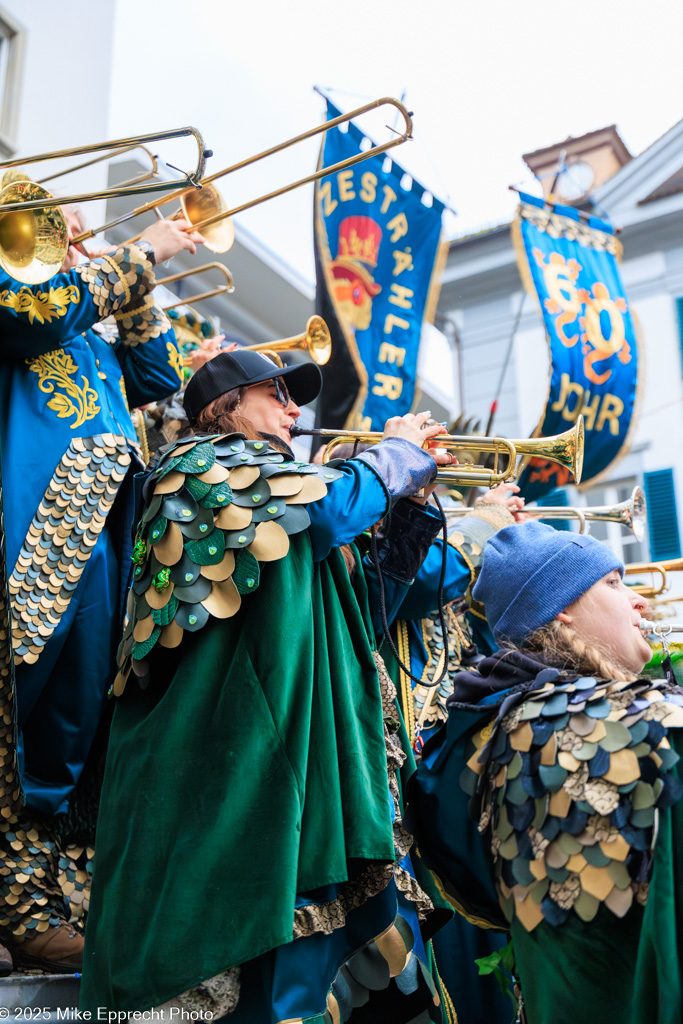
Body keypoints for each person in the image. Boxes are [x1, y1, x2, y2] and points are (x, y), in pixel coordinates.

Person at [80, 349, 456, 1022]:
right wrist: (394, 455)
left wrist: (410, 501)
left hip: (285, 760)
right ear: (218, 407)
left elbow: (367, 605)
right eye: (275, 391)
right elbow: (327, 513)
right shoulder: (196, 467)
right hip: (225, 767)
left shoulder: (281, 491)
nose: (294, 409)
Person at [0, 209, 204, 973]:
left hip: (107, 519)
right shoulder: (30, 294)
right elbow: (32, 315)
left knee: (79, 715)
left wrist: (134, 276)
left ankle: (47, 896)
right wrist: (137, 251)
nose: (69, 238)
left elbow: (159, 376)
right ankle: (20, 901)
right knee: (22, 707)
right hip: (37, 512)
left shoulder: (90, 302)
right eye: (52, 227)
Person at [409, 522, 683, 1024]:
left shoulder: (491, 730)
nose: (639, 601)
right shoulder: (608, 720)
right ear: (565, 611)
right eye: (614, 584)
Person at [382, 483, 524, 1024]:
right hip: (415, 795)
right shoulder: (382, 560)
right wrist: (483, 523)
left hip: (465, 786)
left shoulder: (454, 595)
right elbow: (418, 582)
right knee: (452, 962)